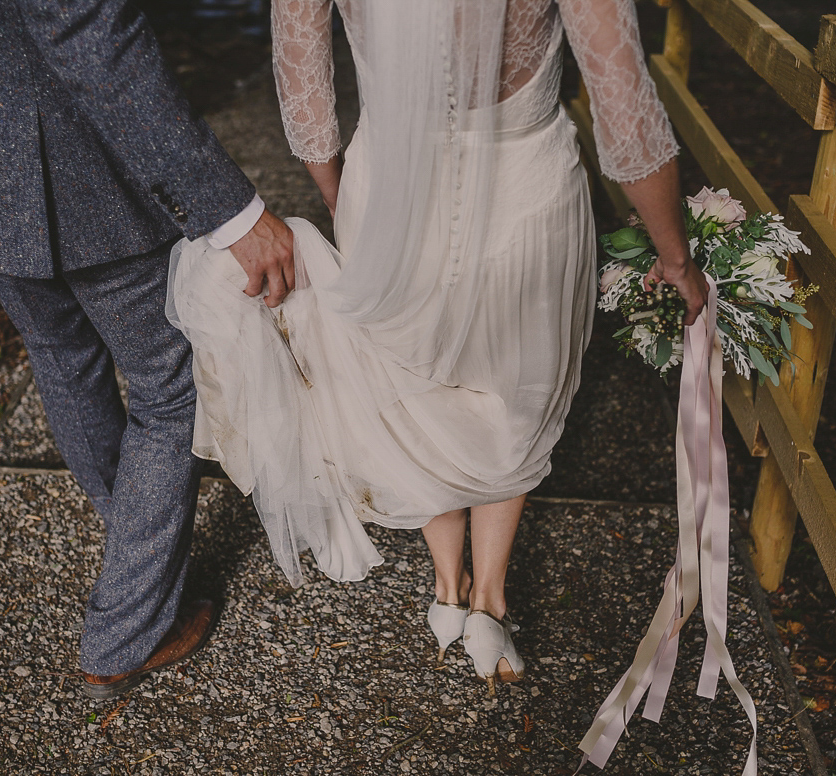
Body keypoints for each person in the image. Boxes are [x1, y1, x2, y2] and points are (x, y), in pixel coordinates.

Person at [168, 0, 707, 690]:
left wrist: (347, 200)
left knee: (413, 381)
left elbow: (304, 86)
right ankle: (489, 603)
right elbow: (625, 112)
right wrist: (675, 257)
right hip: (527, 192)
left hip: (388, 185)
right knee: (514, 392)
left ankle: (447, 586)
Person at [0, 0, 297, 699]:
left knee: (63, 356)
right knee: (172, 379)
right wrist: (229, 208)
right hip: (65, 160)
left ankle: (138, 569)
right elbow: (88, 27)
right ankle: (126, 633)